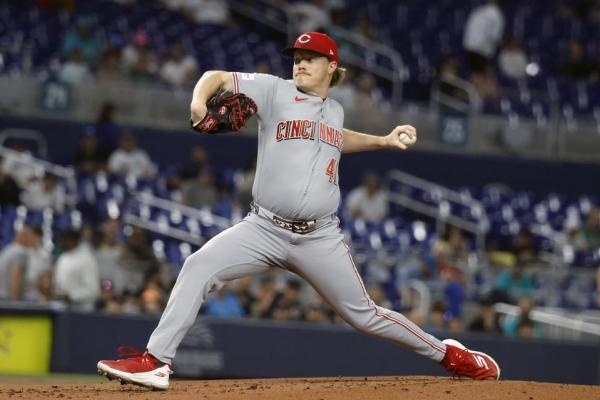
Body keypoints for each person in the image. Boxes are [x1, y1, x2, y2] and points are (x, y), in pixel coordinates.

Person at [97, 31, 500, 390]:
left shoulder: (335, 111)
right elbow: (215, 77)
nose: (300, 64)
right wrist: (199, 104)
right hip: (263, 228)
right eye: (297, 58)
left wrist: (383, 140)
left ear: (332, 66)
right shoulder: (274, 91)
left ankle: (450, 355)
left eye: (310, 58)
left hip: (319, 237)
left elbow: (335, 137)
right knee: (197, 266)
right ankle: (156, 362)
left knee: (365, 315)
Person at [0, 224, 42, 301]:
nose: (32, 240)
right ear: (24, 237)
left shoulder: (8, 250)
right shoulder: (20, 252)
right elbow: (15, 279)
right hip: (8, 300)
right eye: (31, 237)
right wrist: (15, 302)